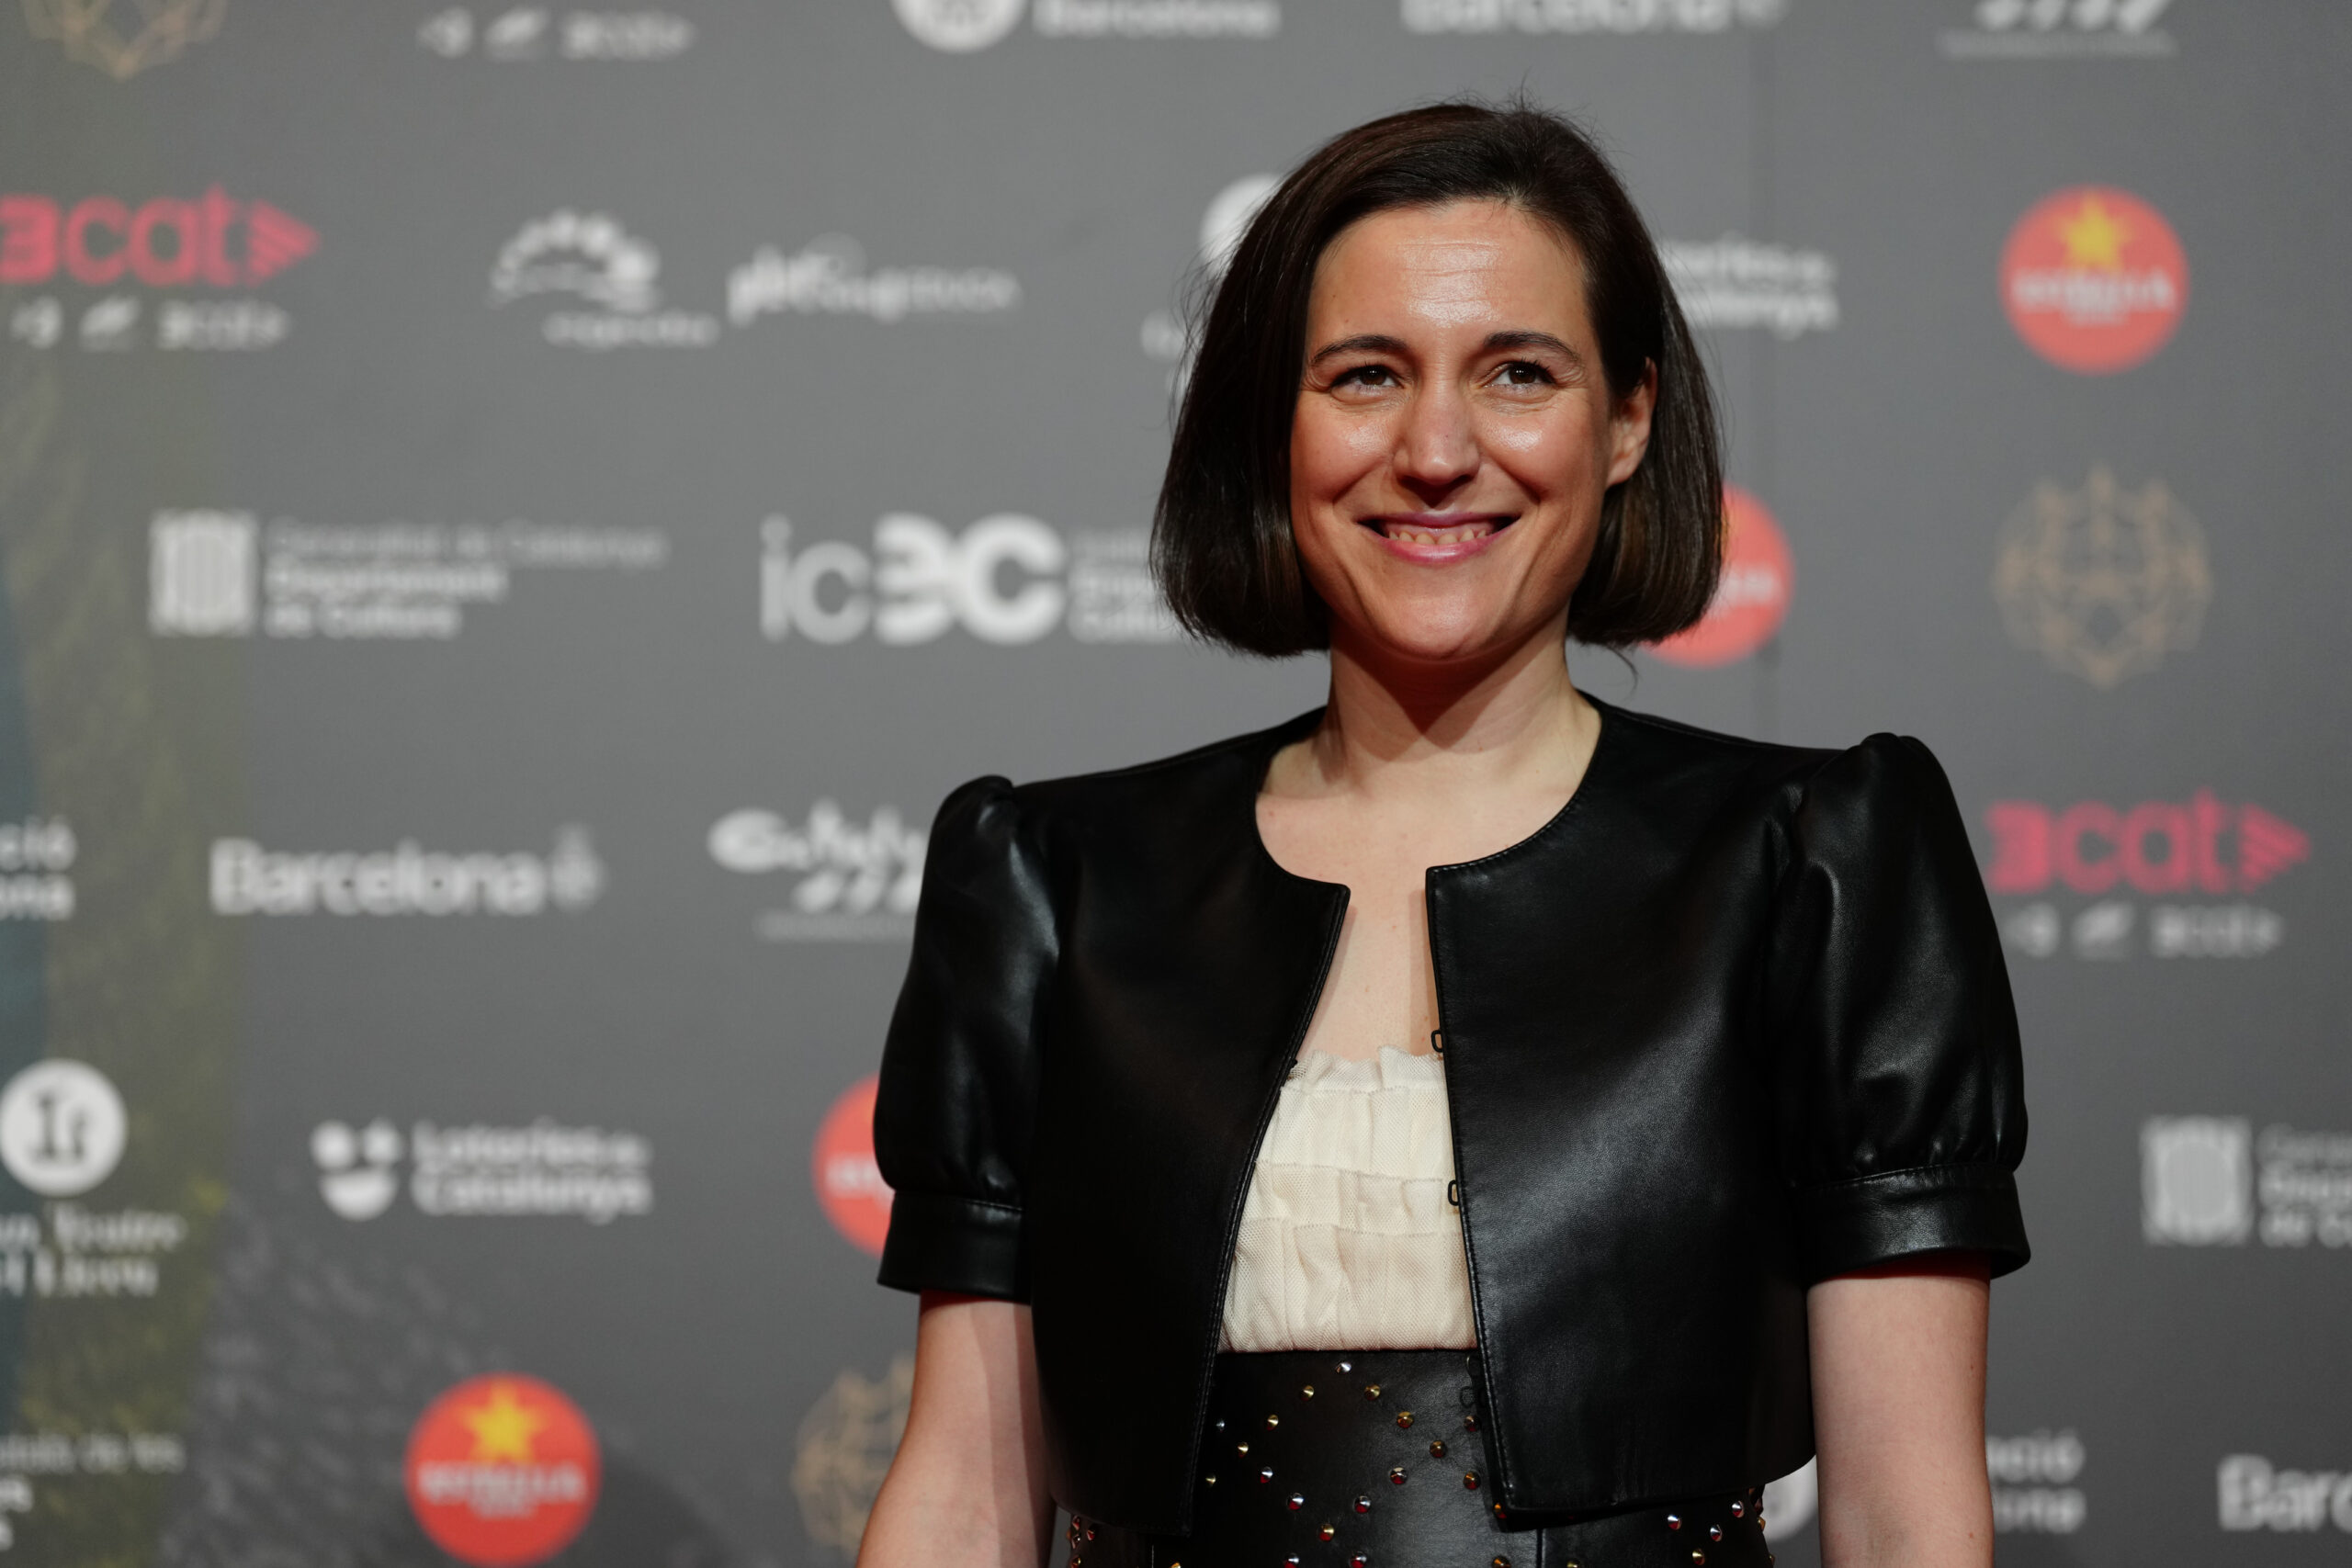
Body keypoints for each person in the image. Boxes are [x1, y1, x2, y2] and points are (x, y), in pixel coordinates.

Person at [856, 101, 2028, 1568]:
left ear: (1628, 421)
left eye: (1517, 373)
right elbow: (964, 1500)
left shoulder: (1813, 864)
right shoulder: (1054, 885)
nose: (1434, 451)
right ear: (1272, 427)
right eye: (1365, 376)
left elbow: (1907, 1518)